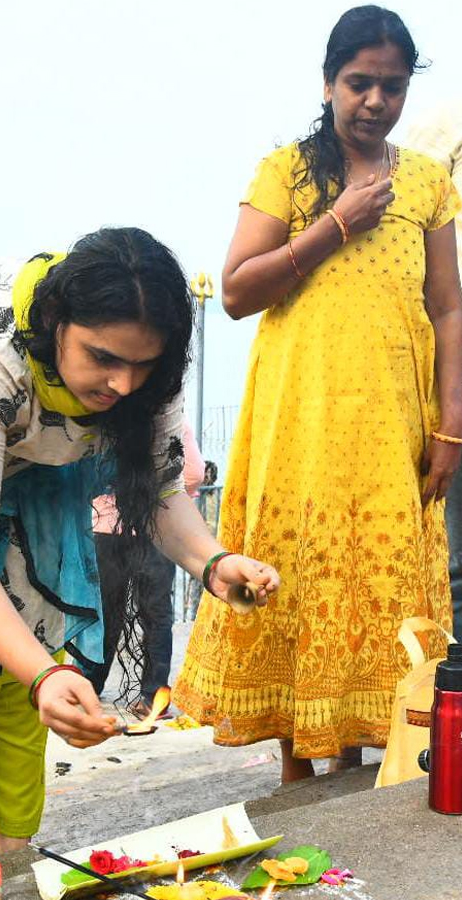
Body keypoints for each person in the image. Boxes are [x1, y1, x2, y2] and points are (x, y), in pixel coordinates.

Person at [0, 228, 280, 866]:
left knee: (26, 654)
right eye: (104, 357)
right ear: (56, 323)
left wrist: (213, 561)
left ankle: (19, 855)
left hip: (32, 453)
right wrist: (48, 675)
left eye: (142, 364)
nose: (122, 384)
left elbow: (161, 489)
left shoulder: (148, 372)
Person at [173, 5, 462, 784]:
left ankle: (377, 765)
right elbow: (234, 291)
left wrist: (453, 424)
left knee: (382, 582)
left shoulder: (430, 181)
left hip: (394, 421)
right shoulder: (289, 172)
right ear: (329, 83)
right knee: (296, 575)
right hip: (299, 421)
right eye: (359, 83)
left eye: (392, 88)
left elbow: (448, 307)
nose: (375, 102)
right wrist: (334, 223)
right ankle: (297, 776)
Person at [88, 420, 205, 716]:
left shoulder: (110, 421)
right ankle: (153, 696)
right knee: (156, 614)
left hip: (106, 527)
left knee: (105, 611)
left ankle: (89, 687)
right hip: (158, 532)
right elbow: (193, 474)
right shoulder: (174, 423)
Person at [407, 101, 462, 641]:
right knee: (453, 570)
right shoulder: (447, 125)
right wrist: (450, 421)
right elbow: (439, 297)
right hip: (451, 382)